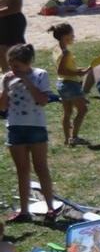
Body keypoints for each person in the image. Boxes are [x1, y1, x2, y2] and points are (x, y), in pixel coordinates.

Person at [3, 43, 56, 223]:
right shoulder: (6, 78)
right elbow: (2, 106)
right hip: (15, 128)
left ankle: (50, 207)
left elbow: (42, 101)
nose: (13, 69)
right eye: (11, 65)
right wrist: (4, 86)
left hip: (36, 128)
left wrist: (27, 81)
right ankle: (24, 211)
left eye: (17, 65)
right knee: (22, 170)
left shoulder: (40, 75)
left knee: (41, 168)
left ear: (28, 63)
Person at [47, 22, 88, 147]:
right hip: (70, 84)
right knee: (82, 109)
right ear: (65, 37)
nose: (74, 37)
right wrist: (78, 72)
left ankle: (67, 139)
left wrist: (78, 70)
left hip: (61, 84)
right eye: (72, 34)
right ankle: (74, 137)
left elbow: (64, 68)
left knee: (67, 112)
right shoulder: (65, 53)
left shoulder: (56, 48)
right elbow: (61, 70)